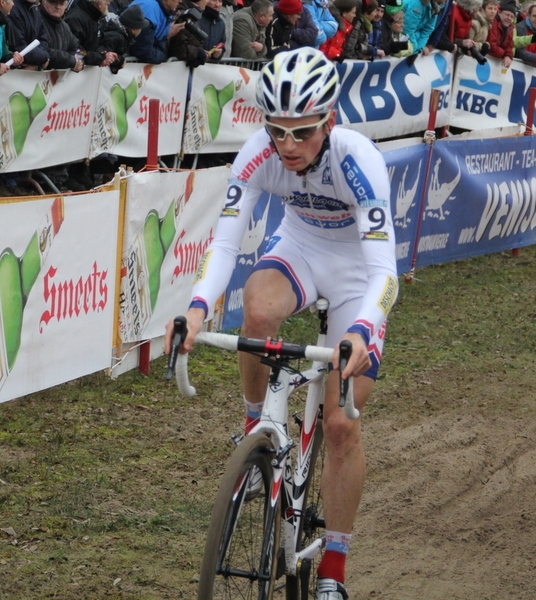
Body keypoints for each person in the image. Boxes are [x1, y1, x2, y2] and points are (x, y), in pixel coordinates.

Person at [164, 47, 398, 600]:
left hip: (357, 274)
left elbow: (384, 270)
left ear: (330, 121)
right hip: (300, 246)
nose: (288, 146)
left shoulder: (356, 160)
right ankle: (256, 432)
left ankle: (334, 569)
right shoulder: (258, 154)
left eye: (303, 132)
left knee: (341, 423)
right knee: (257, 305)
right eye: (277, 131)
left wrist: (361, 330)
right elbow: (224, 241)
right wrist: (197, 308)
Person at [64, 0, 118, 66]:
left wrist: (107, 56)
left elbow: (99, 43)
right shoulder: (76, 19)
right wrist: (100, 58)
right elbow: (77, 50)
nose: (108, 6)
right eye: (107, 3)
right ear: (99, 3)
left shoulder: (96, 19)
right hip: (73, 72)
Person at [38, 0, 84, 71]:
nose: (58, 7)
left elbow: (77, 48)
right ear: (44, 2)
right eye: (53, 2)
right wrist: (69, 60)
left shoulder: (65, 27)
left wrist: (78, 61)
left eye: (61, 3)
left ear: (66, 6)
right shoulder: (37, 22)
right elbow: (43, 51)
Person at [9, 0, 50, 69]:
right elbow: (18, 47)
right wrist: (44, 57)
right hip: (14, 71)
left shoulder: (35, 9)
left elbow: (43, 39)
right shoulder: (12, 8)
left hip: (31, 69)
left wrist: (39, 59)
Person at [487, 0, 516, 67]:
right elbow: (492, 47)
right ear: (499, 12)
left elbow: (509, 45)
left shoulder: (510, 28)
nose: (509, 18)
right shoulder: (493, 23)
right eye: (507, 15)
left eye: (511, 16)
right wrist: (505, 54)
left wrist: (508, 55)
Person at [0, 0, 23, 76]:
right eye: (11, 1)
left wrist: (13, 58)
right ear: (2, 3)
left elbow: (3, 56)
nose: (13, 4)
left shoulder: (4, 24)